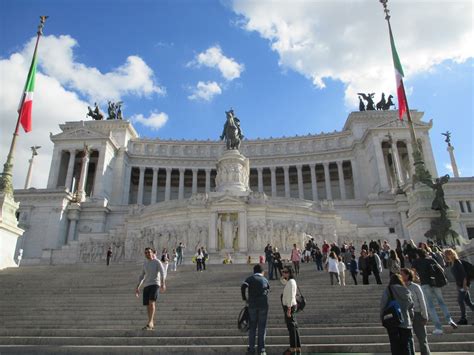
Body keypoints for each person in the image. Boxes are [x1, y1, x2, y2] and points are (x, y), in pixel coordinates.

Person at [411, 248, 457, 334]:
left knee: (431, 306)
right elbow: (441, 269)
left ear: (417, 255)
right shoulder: (431, 260)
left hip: (425, 284)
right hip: (435, 283)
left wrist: (417, 279)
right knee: (441, 302)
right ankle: (449, 320)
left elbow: (412, 274)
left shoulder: (416, 262)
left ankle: (438, 328)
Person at [380, 273, 414, 355]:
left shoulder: (388, 290)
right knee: (406, 346)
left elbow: (383, 305)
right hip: (406, 322)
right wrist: (411, 318)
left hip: (393, 322)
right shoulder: (406, 290)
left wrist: (382, 318)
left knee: (395, 346)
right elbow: (411, 306)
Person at [241, 264, 270, 355]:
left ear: (254, 271)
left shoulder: (250, 279)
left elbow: (243, 286)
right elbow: (268, 290)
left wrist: (244, 298)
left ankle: (251, 349)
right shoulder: (265, 279)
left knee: (252, 328)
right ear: (262, 272)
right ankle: (262, 350)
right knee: (262, 327)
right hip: (263, 305)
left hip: (252, 305)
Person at [401, 268, 431, 355]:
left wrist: (425, 316)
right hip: (406, 315)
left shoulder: (415, 287)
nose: (401, 276)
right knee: (409, 339)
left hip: (417, 314)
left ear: (407, 275)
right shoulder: (400, 287)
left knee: (422, 338)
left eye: (402, 274)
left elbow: (422, 301)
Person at [135, 247, 166, 330]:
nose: (147, 254)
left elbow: (163, 272)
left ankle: (150, 322)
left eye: (149, 252)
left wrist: (163, 283)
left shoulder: (157, 262)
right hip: (147, 285)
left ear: (152, 253)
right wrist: (138, 286)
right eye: (146, 253)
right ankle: (150, 322)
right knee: (148, 305)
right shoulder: (145, 264)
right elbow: (142, 276)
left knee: (151, 303)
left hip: (155, 284)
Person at [444, 248, 474, 325]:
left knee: (460, 301)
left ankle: (463, 319)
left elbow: (464, 275)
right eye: (446, 254)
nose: (447, 256)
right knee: (469, 303)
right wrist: (458, 286)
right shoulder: (452, 263)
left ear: (452, 254)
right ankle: (464, 319)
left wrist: (464, 286)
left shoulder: (457, 262)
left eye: (448, 254)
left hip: (464, 285)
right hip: (460, 285)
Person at [281, 265, 301, 355]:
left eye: (285, 272)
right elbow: (282, 281)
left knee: (292, 328)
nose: (283, 273)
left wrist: (288, 309)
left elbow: (292, 296)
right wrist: (283, 277)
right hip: (290, 306)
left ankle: (293, 348)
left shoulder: (291, 282)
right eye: (283, 271)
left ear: (290, 273)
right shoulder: (289, 281)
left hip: (290, 306)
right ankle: (296, 347)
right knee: (293, 328)